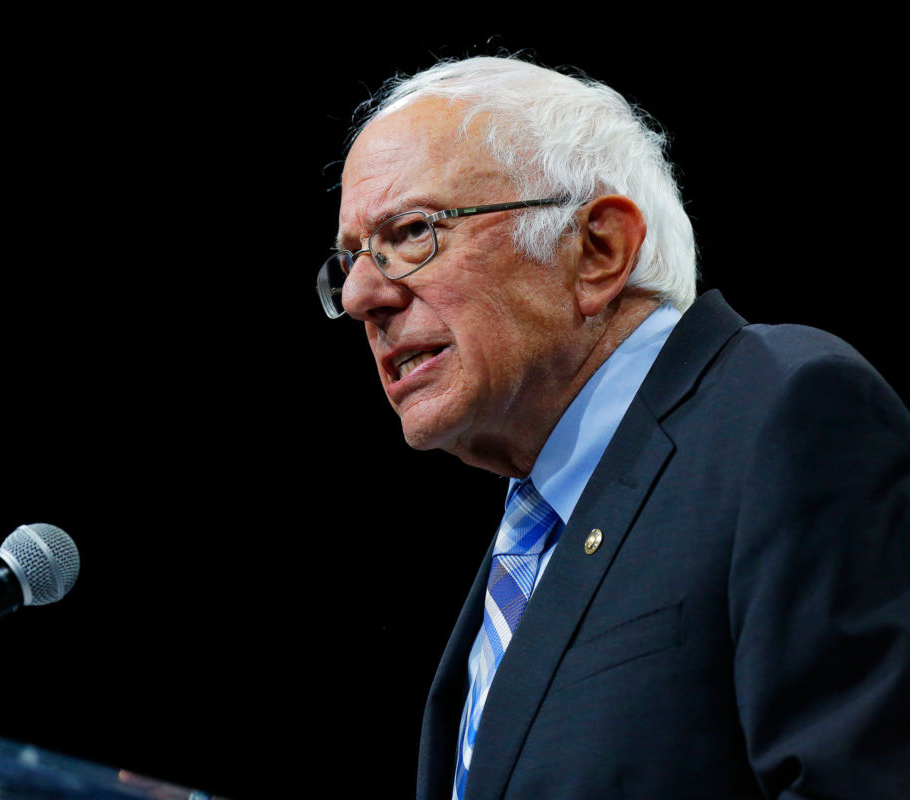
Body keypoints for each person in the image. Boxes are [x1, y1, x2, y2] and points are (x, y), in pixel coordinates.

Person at [317, 56, 909, 800]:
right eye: (348, 262)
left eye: (410, 232)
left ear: (597, 250)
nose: (365, 294)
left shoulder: (786, 412)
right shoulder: (530, 539)